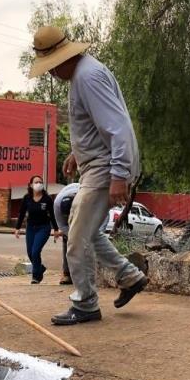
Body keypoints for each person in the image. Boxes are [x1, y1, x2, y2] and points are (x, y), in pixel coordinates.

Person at [28, 26, 148, 325]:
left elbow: (117, 126)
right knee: (89, 232)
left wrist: (119, 175)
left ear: (60, 59)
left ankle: (85, 304)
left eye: (51, 67)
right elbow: (97, 125)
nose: (51, 74)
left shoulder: (87, 77)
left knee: (76, 237)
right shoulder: (84, 74)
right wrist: (76, 153)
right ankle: (129, 277)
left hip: (105, 168)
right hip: (98, 163)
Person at [14, 175, 60, 284]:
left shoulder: (47, 199)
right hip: (30, 228)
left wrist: (56, 229)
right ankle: (40, 268)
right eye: (36, 182)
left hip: (43, 228)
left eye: (40, 182)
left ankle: (36, 276)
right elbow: (21, 214)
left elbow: (52, 215)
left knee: (35, 251)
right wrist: (17, 227)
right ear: (31, 185)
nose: (38, 184)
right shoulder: (27, 198)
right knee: (30, 253)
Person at [53, 182, 80, 285]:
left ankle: (88, 273)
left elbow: (103, 217)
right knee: (67, 240)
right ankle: (67, 273)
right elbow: (62, 226)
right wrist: (73, 236)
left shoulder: (87, 201)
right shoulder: (57, 204)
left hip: (84, 212)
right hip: (70, 195)